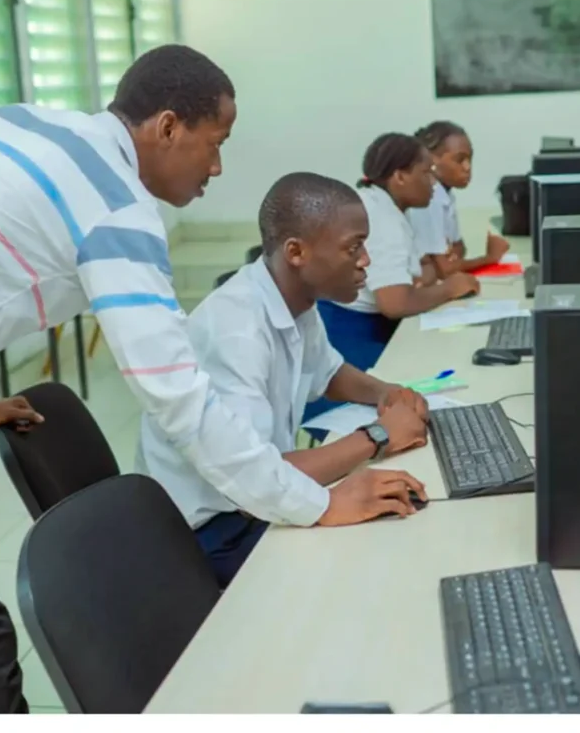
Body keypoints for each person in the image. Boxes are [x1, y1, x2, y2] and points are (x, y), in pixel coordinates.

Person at [0, 44, 424, 714]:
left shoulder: (24, 121)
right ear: (167, 127)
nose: (217, 167)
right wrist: (319, 505)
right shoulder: (116, 206)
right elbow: (178, 397)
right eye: (215, 143)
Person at [136, 172, 432, 587]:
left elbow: (328, 371)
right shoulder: (236, 333)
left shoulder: (295, 298)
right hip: (212, 532)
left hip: (255, 497)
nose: (366, 260)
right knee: (366, 568)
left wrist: (387, 393)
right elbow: (254, 478)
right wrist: (379, 436)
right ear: (296, 252)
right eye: (354, 247)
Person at [315, 133, 480, 376]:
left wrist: (416, 287)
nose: (433, 183)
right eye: (426, 173)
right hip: (348, 336)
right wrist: (449, 288)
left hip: (356, 325)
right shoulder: (382, 220)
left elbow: (421, 274)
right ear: (400, 176)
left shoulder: (382, 205)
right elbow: (395, 303)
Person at [408, 121, 511, 278]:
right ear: (432, 160)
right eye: (459, 160)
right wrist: (490, 258)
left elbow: (460, 248)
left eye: (470, 159)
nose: (467, 167)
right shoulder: (428, 199)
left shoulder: (446, 194)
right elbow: (445, 270)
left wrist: (447, 257)